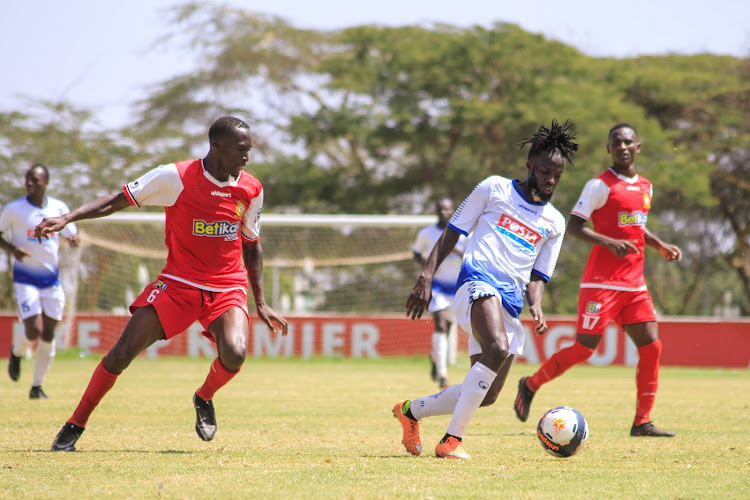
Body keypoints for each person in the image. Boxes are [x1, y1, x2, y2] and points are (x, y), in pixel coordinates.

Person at [36, 116, 288, 451]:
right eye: (241, 149)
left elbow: (251, 243)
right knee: (122, 353)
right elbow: (117, 200)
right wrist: (68, 218)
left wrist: (261, 302)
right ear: (216, 147)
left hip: (227, 286)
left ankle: (204, 396)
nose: (247, 157)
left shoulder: (251, 188)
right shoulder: (176, 176)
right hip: (178, 283)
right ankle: (75, 424)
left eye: (249, 150)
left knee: (235, 352)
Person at [395, 119, 579, 459]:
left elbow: (539, 275)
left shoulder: (555, 222)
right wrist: (426, 277)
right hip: (475, 284)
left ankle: (411, 411)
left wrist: (536, 304)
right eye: (543, 171)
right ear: (529, 166)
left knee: (487, 392)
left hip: (508, 303)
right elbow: (452, 232)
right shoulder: (494, 189)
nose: (550, 180)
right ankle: (452, 441)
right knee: (497, 347)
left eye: (556, 175)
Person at [514, 122, 681, 437]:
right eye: (615, 142)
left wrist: (658, 245)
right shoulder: (599, 185)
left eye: (627, 141)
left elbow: (635, 226)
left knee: (652, 347)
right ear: (609, 149)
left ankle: (642, 422)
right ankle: (531, 384)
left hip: (634, 284)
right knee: (583, 349)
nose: (622, 147)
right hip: (601, 284)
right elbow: (574, 226)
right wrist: (608, 242)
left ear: (637, 147)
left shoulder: (646, 186)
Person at [1, 164, 79, 399]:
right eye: (27, 179)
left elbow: (70, 232)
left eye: (35, 180)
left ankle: (37, 387)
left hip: (51, 279)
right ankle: (16, 353)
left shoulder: (58, 207)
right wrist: (12, 249)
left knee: (49, 334)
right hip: (25, 278)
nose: (30, 183)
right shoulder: (14, 209)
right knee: (34, 330)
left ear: (46, 182)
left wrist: (74, 239)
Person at [412, 198, 467, 389]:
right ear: (436, 211)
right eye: (440, 209)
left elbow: (471, 256)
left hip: (458, 287)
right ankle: (443, 376)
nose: (444, 212)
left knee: (449, 326)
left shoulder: (463, 235)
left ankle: (436, 357)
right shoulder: (426, 234)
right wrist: (428, 269)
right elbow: (416, 253)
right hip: (436, 286)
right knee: (441, 325)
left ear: (453, 211)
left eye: (447, 209)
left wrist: (457, 251)